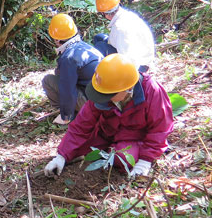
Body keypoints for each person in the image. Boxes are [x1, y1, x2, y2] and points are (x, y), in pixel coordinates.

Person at [43, 54, 173, 179]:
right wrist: (61, 156)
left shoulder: (152, 91)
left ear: (127, 89)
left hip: (134, 139)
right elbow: (81, 125)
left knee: (122, 157)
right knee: (77, 150)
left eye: (108, 94)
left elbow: (160, 129)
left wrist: (146, 160)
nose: (104, 98)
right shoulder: (103, 90)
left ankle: (124, 153)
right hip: (107, 134)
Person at [41, 14, 103, 125]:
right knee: (59, 74)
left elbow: (67, 90)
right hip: (106, 99)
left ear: (56, 39)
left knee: (48, 80)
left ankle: (72, 115)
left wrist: (66, 116)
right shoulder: (85, 47)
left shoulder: (68, 58)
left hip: (95, 105)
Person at [92, 0, 155, 72]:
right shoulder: (127, 15)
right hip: (141, 55)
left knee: (100, 47)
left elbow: (129, 59)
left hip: (139, 65)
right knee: (99, 38)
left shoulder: (119, 28)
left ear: (104, 14)